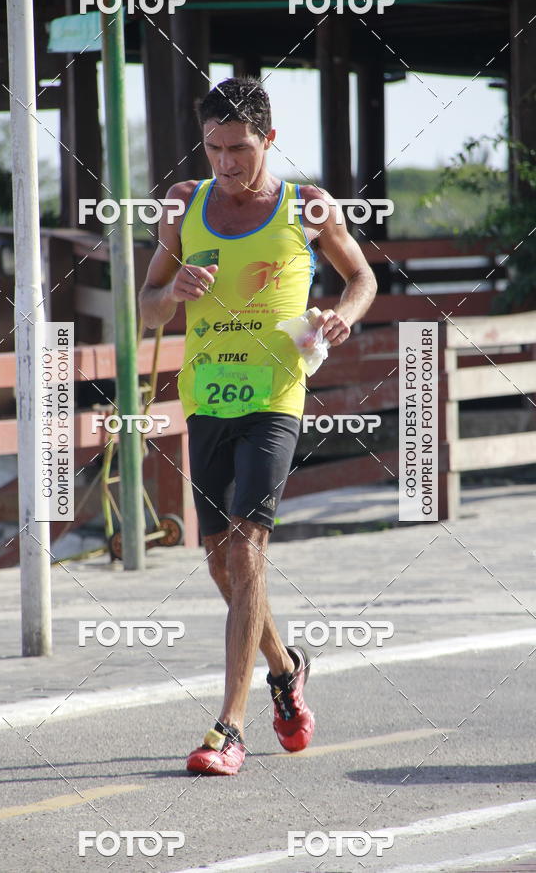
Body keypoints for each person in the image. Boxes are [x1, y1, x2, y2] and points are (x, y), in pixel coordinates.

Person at [139, 77, 377, 775]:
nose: (225, 163)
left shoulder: (308, 207)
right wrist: (170, 289)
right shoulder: (186, 208)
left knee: (246, 551)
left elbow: (361, 279)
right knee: (217, 556)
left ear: (269, 139)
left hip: (276, 395)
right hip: (207, 397)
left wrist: (344, 317)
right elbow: (148, 306)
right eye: (213, 148)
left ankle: (229, 728)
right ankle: (285, 669)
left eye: (239, 148)